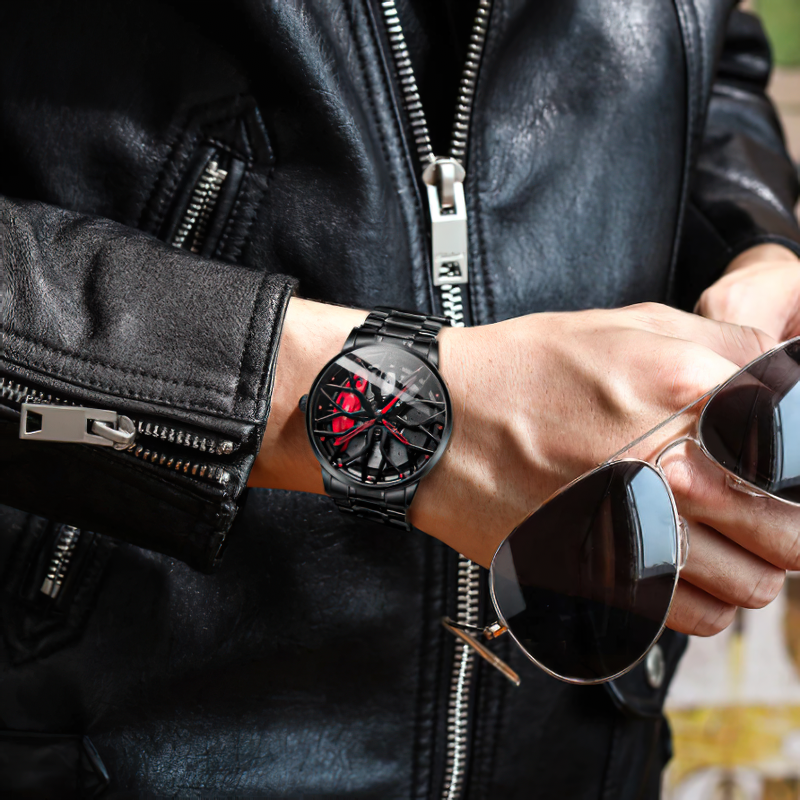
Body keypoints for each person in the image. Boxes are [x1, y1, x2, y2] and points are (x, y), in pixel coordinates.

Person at [2, 0, 800, 797]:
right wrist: (425, 417)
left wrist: (754, 239)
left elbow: (708, 49)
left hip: (581, 745)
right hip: (118, 738)